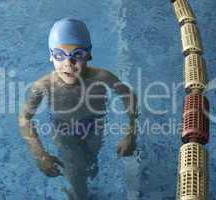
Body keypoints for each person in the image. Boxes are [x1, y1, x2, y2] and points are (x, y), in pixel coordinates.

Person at [18, 18, 138, 200]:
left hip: (94, 126)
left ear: (89, 54)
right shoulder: (43, 85)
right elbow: (25, 118)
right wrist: (40, 154)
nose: (68, 63)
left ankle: (86, 171)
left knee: (90, 161)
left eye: (78, 54)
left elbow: (128, 96)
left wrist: (130, 133)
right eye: (59, 55)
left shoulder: (102, 77)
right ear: (50, 55)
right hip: (63, 131)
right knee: (76, 174)